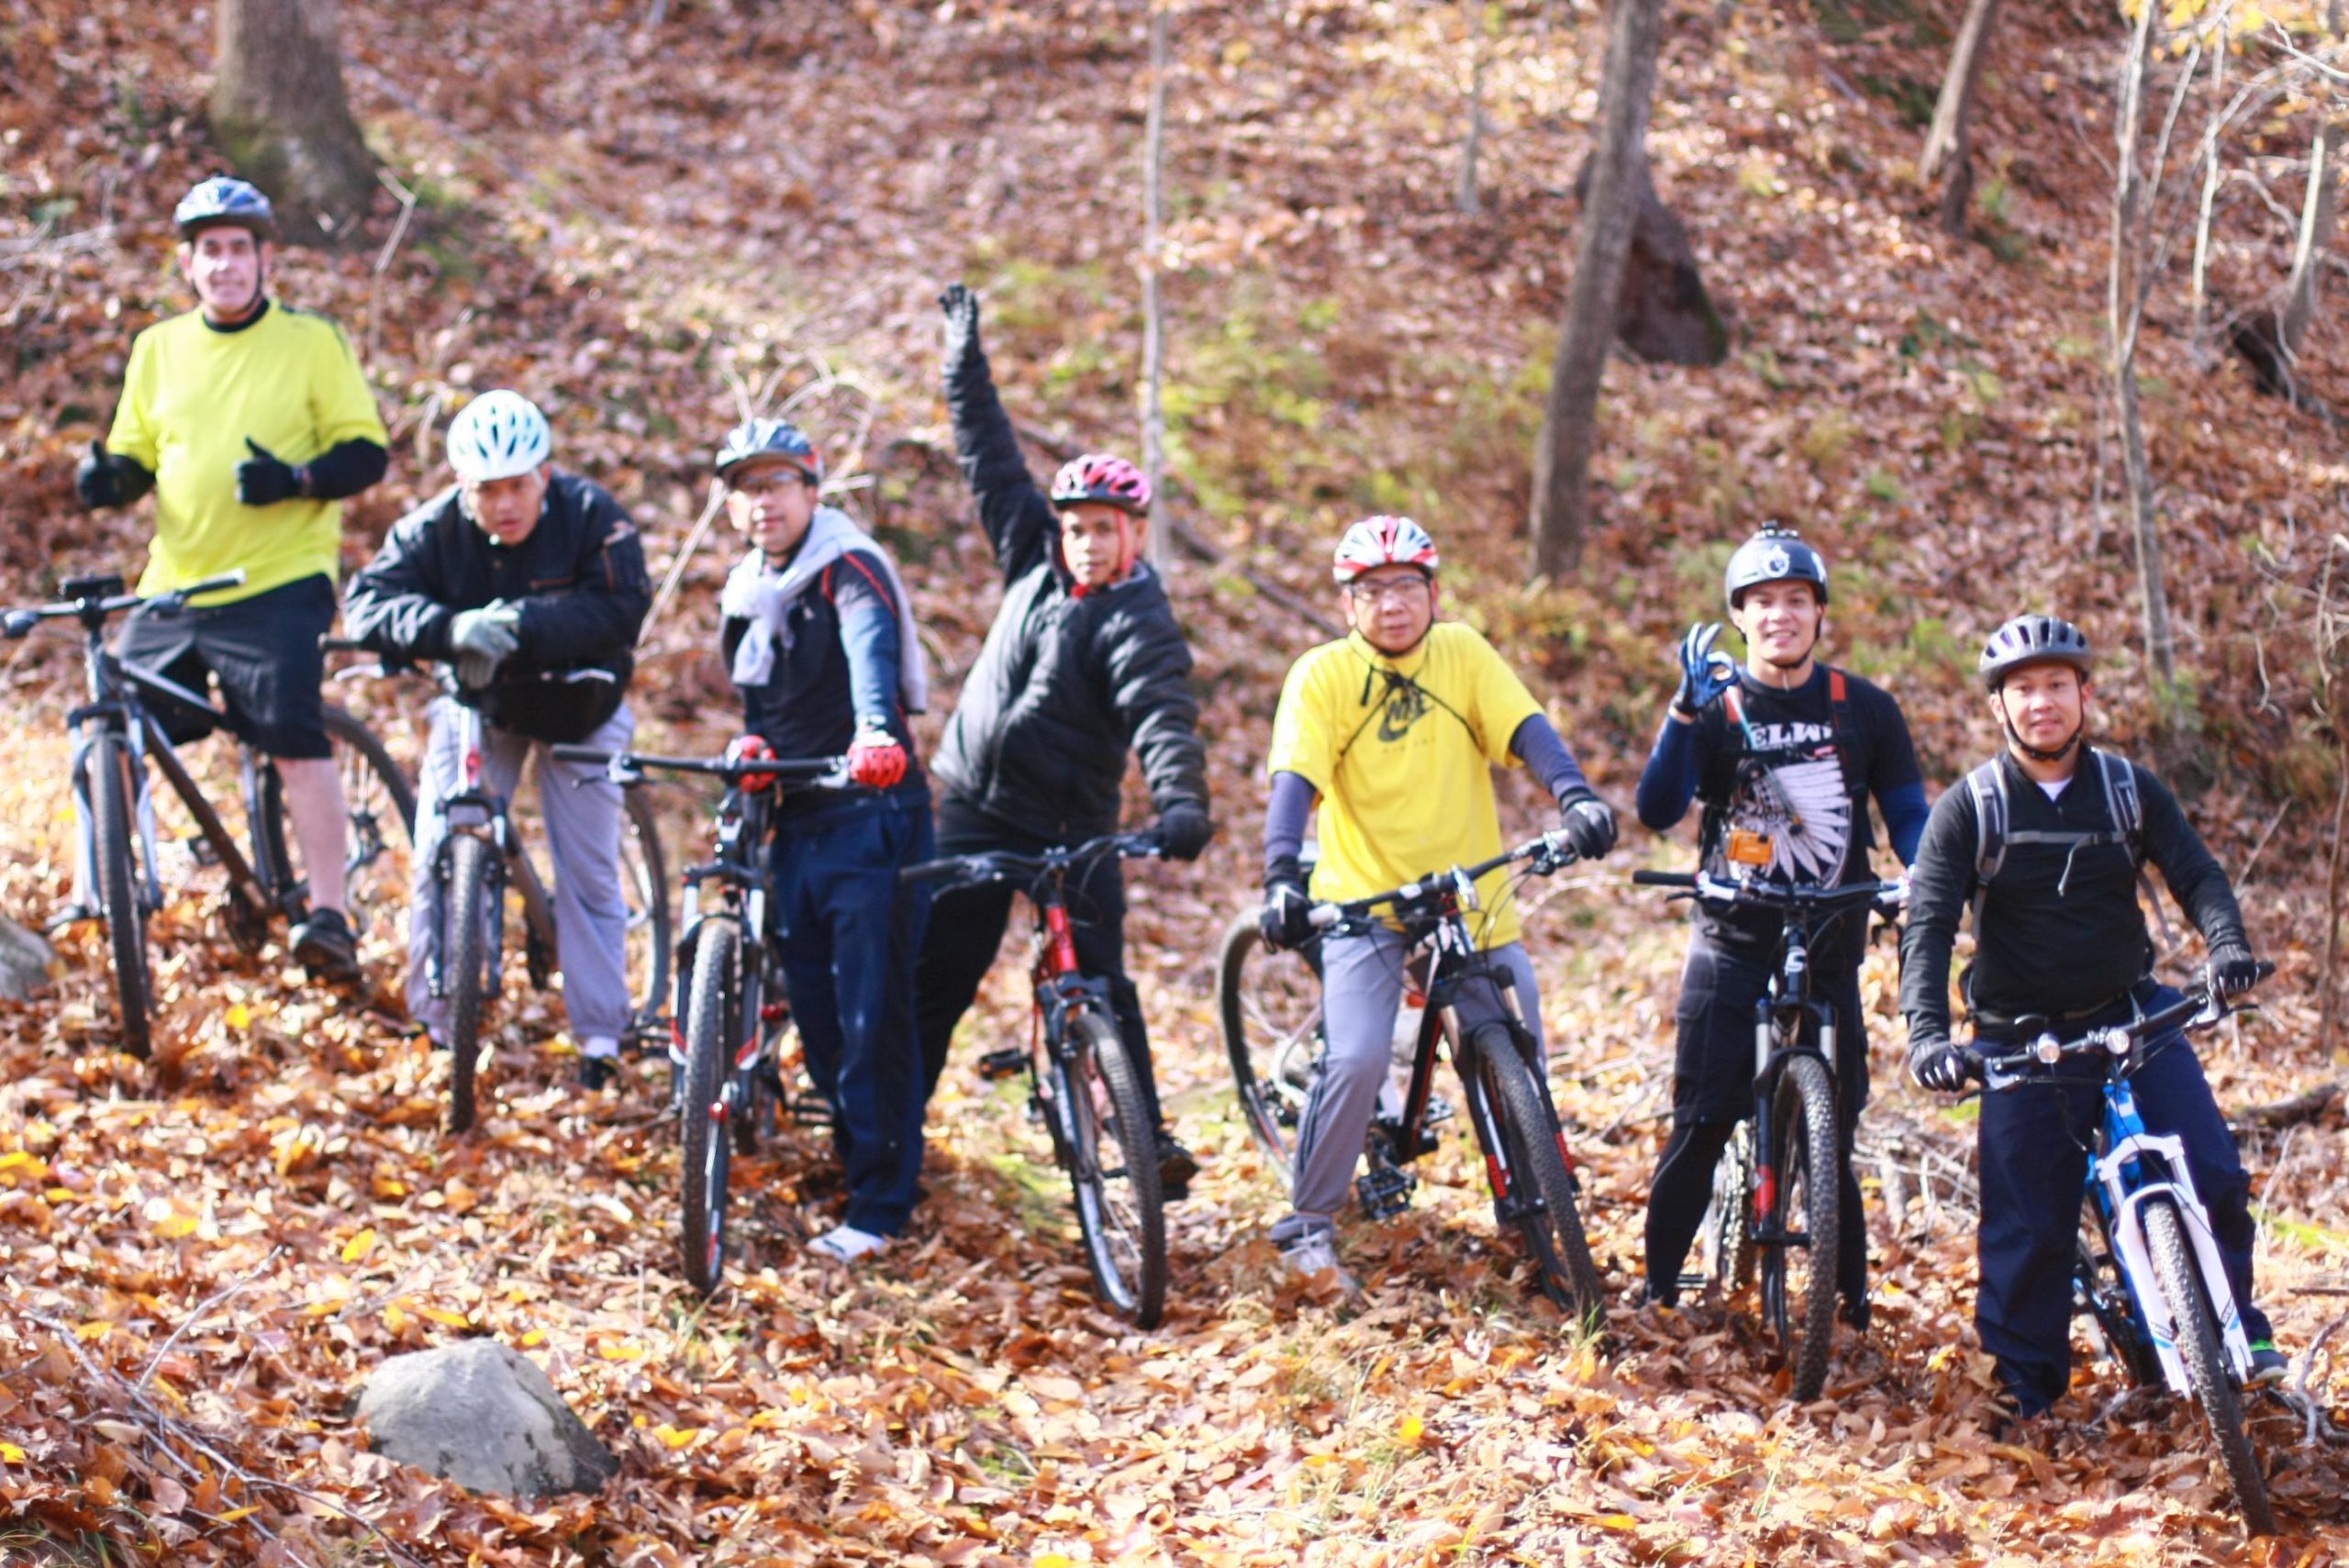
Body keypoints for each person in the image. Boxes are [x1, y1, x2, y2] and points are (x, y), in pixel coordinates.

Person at [1900, 613, 2286, 1418]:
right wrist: (1929, 1034)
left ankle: (2240, 1326)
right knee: (2028, 1225)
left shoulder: (2125, 788)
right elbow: (1929, 926)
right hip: (2021, 1036)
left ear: (2085, 693)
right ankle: (2026, 1393)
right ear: (1999, 707)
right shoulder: (1970, 807)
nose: (2040, 702)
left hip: (2131, 1012)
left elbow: (2197, 872)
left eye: (2055, 686)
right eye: (2022, 690)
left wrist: (2225, 946)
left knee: (2214, 1174)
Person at [1257, 516, 1616, 1288]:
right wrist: (1280, 874)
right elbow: (1295, 780)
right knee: (1354, 1058)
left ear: (1433, 592)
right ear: (1347, 602)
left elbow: (1525, 729)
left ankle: (1534, 1206)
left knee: (1519, 1047)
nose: (1392, 604)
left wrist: (1575, 795)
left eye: (1407, 586)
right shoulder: (1320, 676)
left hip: (1470, 896)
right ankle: (1307, 1229)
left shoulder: (1461, 653)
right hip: (1368, 901)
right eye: (1372, 590)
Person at [916, 284, 1214, 1195]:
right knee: (937, 980)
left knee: (1105, 983)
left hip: (1074, 824)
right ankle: (891, 1136)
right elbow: (987, 459)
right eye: (1078, 528)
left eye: (1106, 531)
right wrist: (964, 361)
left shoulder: (1138, 616)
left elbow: (1162, 710)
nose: (1088, 544)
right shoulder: (1031, 560)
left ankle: (1145, 1134)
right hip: (973, 805)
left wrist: (1180, 802)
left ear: (1133, 535)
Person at [74, 175, 389, 978]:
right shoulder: (158, 349)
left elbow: (366, 452)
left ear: (265, 258)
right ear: (188, 264)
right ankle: (115, 886)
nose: (225, 265)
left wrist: (297, 480)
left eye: (239, 249)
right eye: (209, 250)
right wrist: (109, 480)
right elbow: (138, 455)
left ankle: (330, 912)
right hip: (176, 583)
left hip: (280, 579)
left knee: (290, 729)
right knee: (112, 723)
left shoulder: (313, 341)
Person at [1633, 523, 1926, 1327]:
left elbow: (1905, 812)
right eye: (1761, 603)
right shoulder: (1717, 706)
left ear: (1820, 612)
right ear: (1739, 616)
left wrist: (1923, 876)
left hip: (1831, 934)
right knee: (1703, 1117)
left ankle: (1849, 1306)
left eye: (1795, 599)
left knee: (1833, 1124)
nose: (1779, 616)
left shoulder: (1863, 708)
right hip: (1732, 934)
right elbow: (1658, 808)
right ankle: (1657, 1288)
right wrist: (1681, 716)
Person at [343, 390, 651, 1089]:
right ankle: (438, 1019)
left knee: (588, 868)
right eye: (488, 491)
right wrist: (447, 629)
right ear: (463, 488)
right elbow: (367, 601)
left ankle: (602, 1034)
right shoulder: (436, 530)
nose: (505, 504)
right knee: (440, 849)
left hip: (583, 706)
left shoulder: (594, 516)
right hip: (482, 705)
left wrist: (519, 623)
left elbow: (624, 607)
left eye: (519, 485)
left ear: (545, 474)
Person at [714, 417, 933, 1265]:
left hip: (872, 809)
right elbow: (763, 703)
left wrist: (877, 728)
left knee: (869, 1009)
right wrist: (758, 746)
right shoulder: (745, 589)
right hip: (796, 815)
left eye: (776, 483)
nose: (762, 502)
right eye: (746, 488)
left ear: (811, 489)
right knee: (813, 1006)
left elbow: (869, 652)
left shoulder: (848, 565)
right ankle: (862, 1159)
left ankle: (881, 1206)